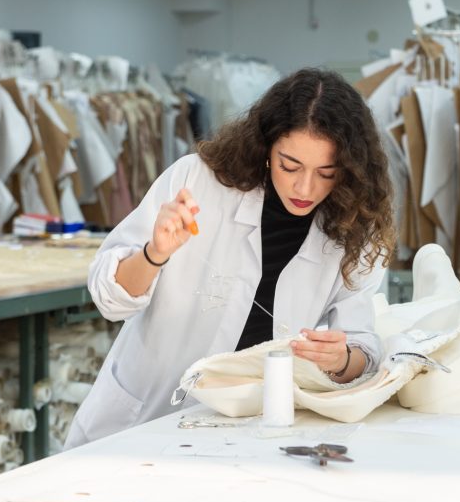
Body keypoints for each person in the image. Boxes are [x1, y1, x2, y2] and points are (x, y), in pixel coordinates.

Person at [65, 68, 396, 447]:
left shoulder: (356, 228)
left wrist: (339, 360)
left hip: (248, 435)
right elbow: (109, 298)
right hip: (142, 419)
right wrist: (154, 254)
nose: (305, 187)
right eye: (290, 166)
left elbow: (363, 353)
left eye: (326, 173)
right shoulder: (195, 181)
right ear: (266, 148)